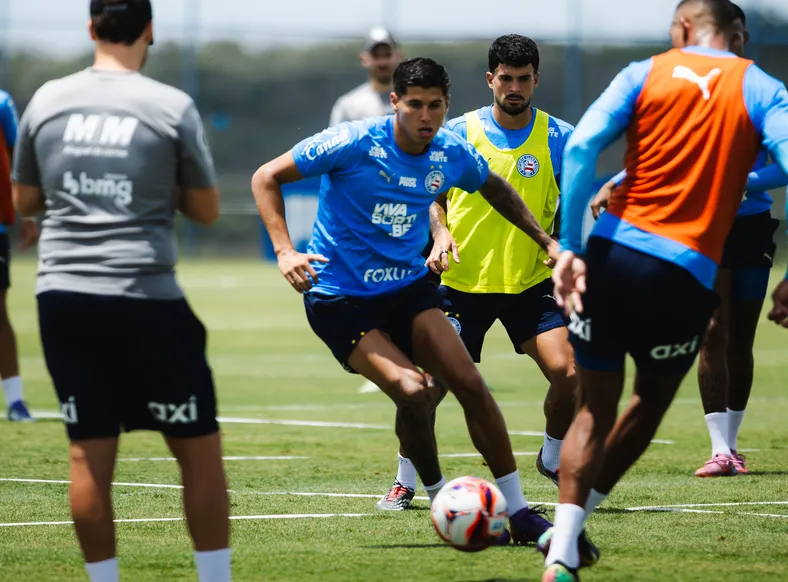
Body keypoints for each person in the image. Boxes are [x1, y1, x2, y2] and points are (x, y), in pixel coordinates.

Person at [253, 56, 564, 546]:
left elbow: (496, 189)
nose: (425, 116)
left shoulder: (449, 150)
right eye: (415, 105)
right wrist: (284, 250)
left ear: (447, 105)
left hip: (406, 290)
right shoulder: (353, 141)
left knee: (468, 383)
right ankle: (441, 499)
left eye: (435, 106)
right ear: (395, 101)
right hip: (341, 297)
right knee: (414, 392)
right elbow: (265, 177)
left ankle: (521, 512)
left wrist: (546, 241)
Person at [542, 0, 788, 579]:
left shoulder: (642, 73)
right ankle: (568, 542)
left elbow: (580, 148)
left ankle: (562, 547)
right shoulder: (761, 86)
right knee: (648, 403)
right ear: (737, 36)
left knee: (592, 410)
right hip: (681, 273)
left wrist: (570, 247)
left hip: (609, 256)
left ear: (682, 27)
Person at [11, 2, 231, 581]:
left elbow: (25, 201)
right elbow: (206, 210)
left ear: (90, 27)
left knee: (87, 453)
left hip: (62, 297)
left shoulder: (47, 100)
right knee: (198, 449)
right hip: (145, 295)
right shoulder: (169, 105)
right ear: (149, 30)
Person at [376, 34, 578, 513]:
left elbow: (571, 203)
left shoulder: (560, 137)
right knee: (427, 389)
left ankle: (552, 458)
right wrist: (441, 232)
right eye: (506, 78)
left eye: (523, 79)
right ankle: (406, 479)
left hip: (529, 283)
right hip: (461, 285)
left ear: (536, 79)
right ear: (490, 79)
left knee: (571, 373)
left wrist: (564, 246)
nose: (514, 87)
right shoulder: (458, 132)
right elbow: (432, 194)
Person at [590, 1, 788, 479]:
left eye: (743, 35)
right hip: (701, 227)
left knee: (741, 337)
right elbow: (670, 153)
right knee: (712, 331)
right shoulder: (687, 87)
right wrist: (616, 180)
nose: (737, 42)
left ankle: (733, 444)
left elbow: (780, 168)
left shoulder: (756, 90)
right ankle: (719, 449)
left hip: (751, 227)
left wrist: (744, 181)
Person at [0, 89, 39, 421]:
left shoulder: (1, 102)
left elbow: (17, 162)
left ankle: (15, 401)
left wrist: (26, 214)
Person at [329, 27, 403, 126]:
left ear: (398, 56)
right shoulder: (348, 106)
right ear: (364, 59)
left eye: (387, 54)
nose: (382, 62)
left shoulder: (414, 100)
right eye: (376, 55)